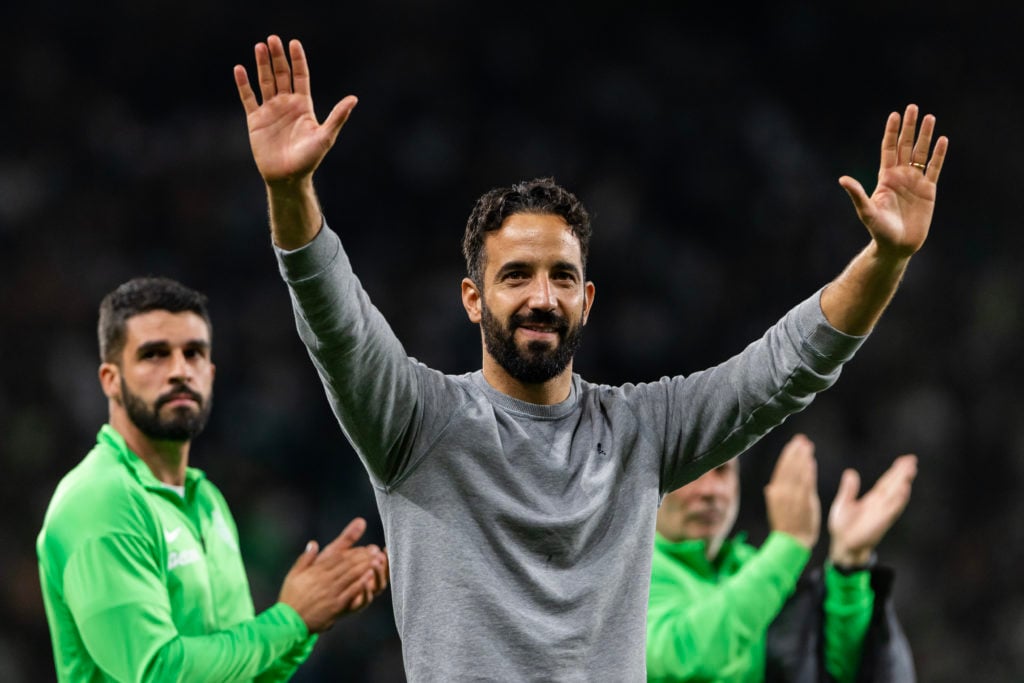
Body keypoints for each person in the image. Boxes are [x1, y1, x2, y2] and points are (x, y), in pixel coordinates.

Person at [232, 35, 948, 680]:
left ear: (588, 297)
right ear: (472, 298)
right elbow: (338, 325)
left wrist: (886, 258)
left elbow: (787, 367)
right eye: (515, 275)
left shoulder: (641, 430)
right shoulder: (417, 424)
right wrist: (291, 190)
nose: (542, 296)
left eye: (562, 276)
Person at [36, 276, 390, 682]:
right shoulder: (99, 499)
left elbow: (235, 674)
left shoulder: (207, 502)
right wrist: (291, 619)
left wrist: (311, 615)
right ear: (110, 380)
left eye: (194, 353)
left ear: (211, 372)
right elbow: (159, 672)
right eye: (154, 355)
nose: (180, 371)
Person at [646, 433, 917, 683]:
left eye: (722, 470)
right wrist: (789, 543)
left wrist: (849, 566)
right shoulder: (628, 570)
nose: (710, 491)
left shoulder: (751, 569)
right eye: (691, 473)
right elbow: (680, 660)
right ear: (650, 483)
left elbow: (836, 669)